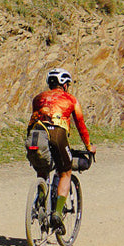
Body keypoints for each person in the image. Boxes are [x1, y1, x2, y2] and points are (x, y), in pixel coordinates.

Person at [26, 67, 92, 228]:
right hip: (57, 133)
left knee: (42, 170)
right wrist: (89, 146)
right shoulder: (70, 99)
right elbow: (80, 125)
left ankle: (41, 202)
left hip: (35, 134)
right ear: (64, 84)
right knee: (65, 172)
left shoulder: (37, 98)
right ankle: (56, 213)